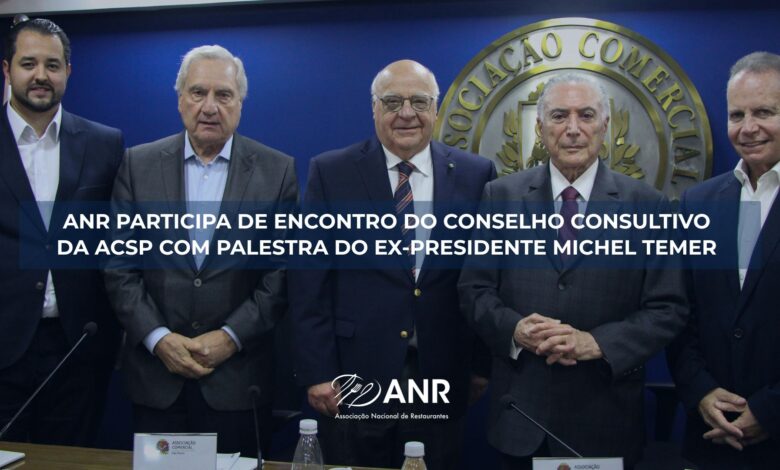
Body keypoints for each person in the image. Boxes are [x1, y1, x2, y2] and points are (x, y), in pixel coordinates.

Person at [458, 72, 688, 469]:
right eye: (559, 115)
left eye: (586, 115)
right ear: (540, 127)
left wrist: (595, 343)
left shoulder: (647, 205)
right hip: (519, 419)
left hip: (605, 420)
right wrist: (514, 329)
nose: (573, 129)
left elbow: (668, 308)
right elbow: (474, 290)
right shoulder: (500, 196)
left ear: (605, 125)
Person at [289, 59, 495, 469]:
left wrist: (480, 366)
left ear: (435, 108)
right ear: (374, 108)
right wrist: (318, 371)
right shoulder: (331, 172)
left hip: (442, 373)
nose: (406, 113)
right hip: (353, 377)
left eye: (419, 101)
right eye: (392, 102)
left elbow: (486, 276)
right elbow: (308, 281)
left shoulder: (476, 174)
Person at [104, 45, 298, 456]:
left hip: (238, 383)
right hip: (157, 382)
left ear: (240, 103)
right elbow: (119, 267)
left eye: (223, 94)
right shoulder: (137, 165)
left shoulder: (277, 171)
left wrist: (230, 337)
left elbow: (281, 272)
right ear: (180, 100)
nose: (210, 106)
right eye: (198, 93)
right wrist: (158, 339)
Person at [0, 18, 124, 445]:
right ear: (7, 69)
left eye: (52, 65)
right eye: (28, 63)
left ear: (68, 71)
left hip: (78, 347)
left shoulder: (105, 144)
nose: (41, 75)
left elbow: (118, 241)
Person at [667, 51, 780, 469]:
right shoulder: (699, 201)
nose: (748, 128)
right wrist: (700, 391)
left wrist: (770, 410)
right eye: (737, 115)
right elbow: (678, 311)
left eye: (764, 112)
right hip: (710, 435)